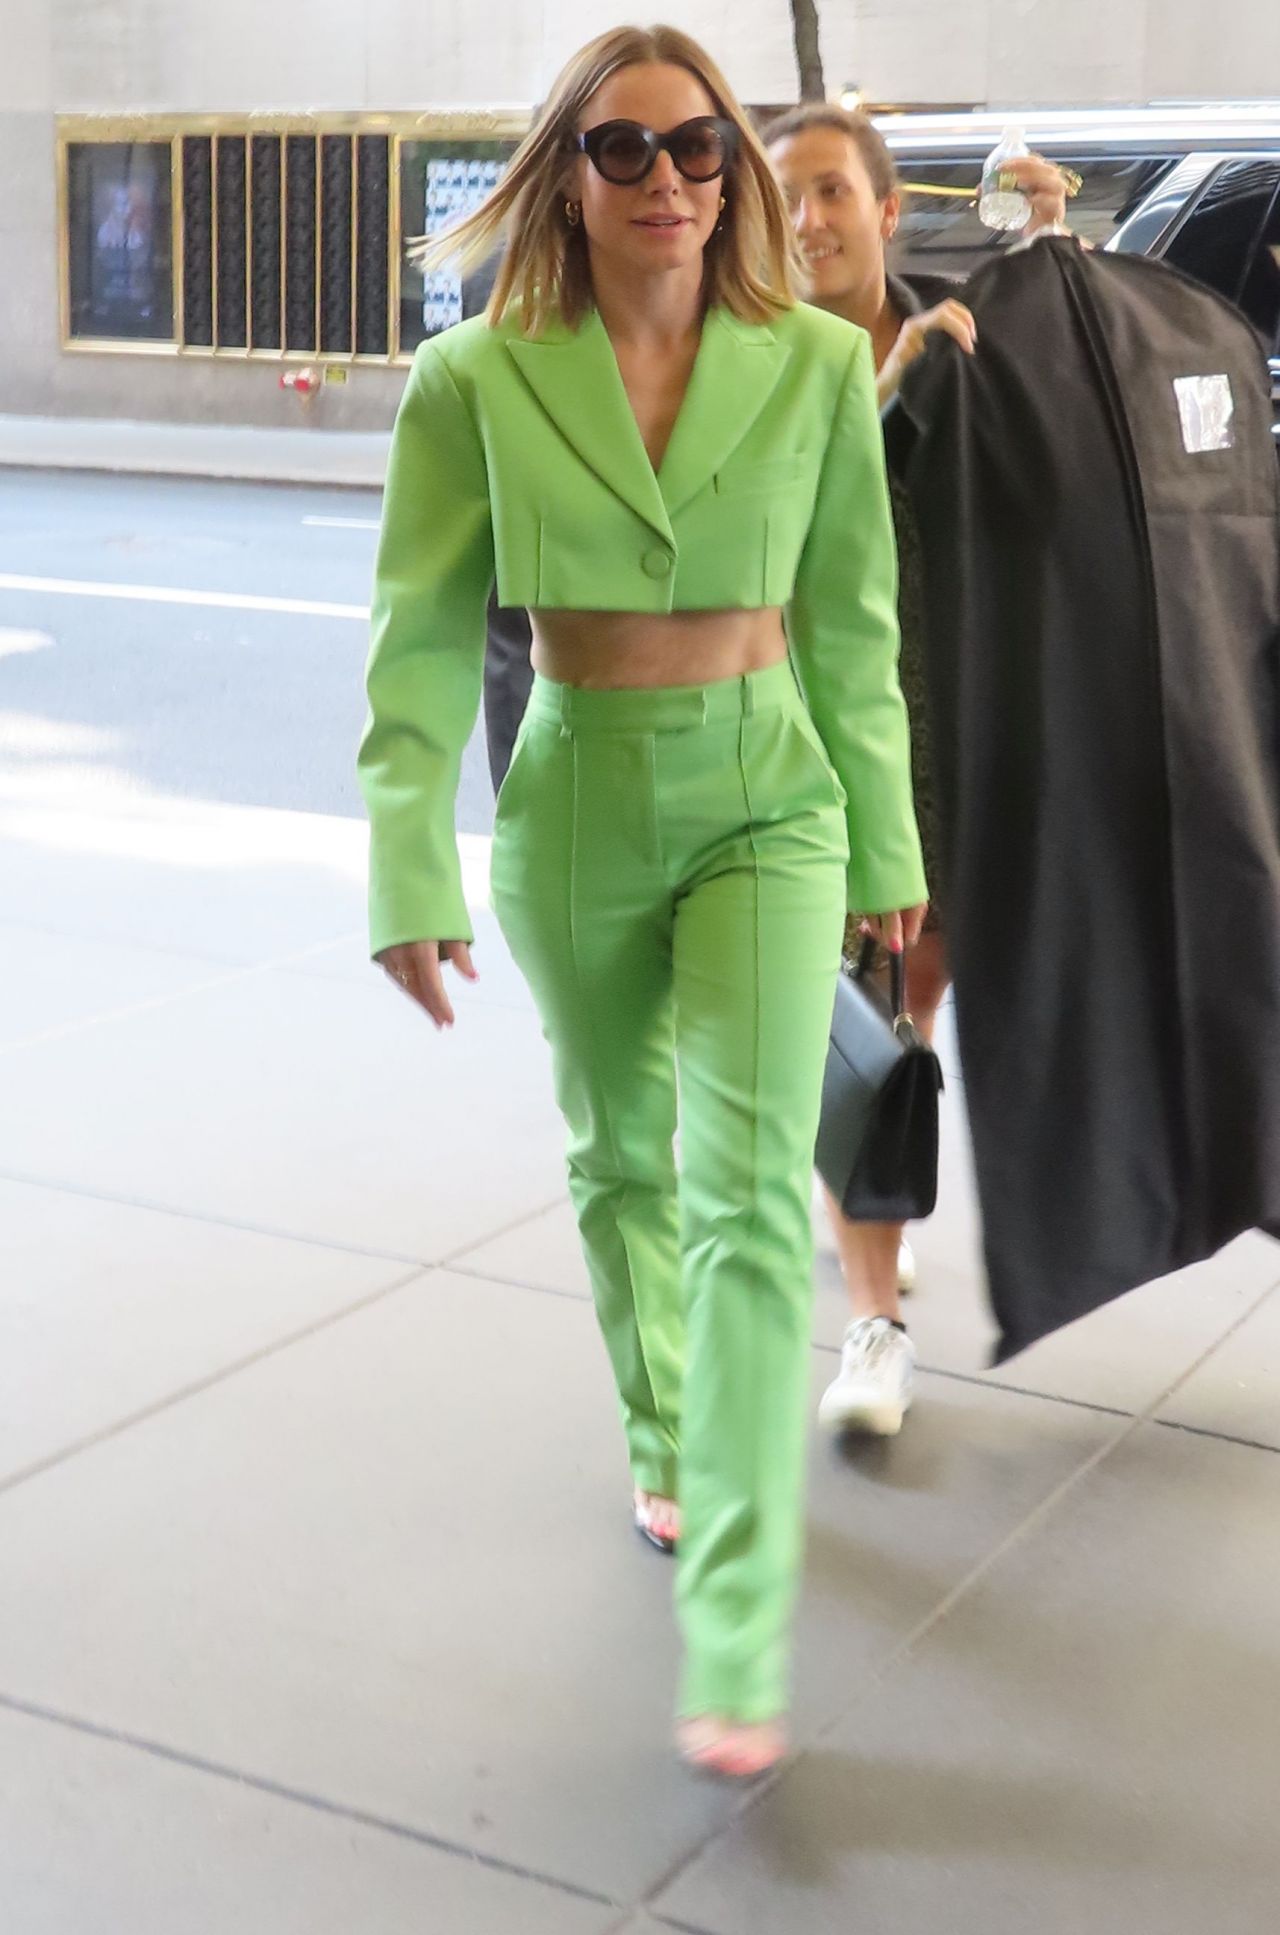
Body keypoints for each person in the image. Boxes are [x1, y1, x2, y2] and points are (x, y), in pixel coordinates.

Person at [358, 26, 925, 1778]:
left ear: (735, 176)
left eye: (702, 149)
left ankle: (739, 1633)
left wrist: (890, 854)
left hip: (773, 791)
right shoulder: (471, 381)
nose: (671, 178)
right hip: (577, 790)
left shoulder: (823, 365)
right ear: (567, 174)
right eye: (626, 151)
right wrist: (405, 864)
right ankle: (669, 1433)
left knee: (750, 1193)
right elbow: (422, 634)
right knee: (621, 1155)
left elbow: (854, 631)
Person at [765, 106, 1069, 1438]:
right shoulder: (751, 360)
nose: (808, 221)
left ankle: (860, 1185)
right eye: (784, 199)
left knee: (913, 1001)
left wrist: (1053, 241)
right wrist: (885, 387)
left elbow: (1068, 396)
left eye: (831, 191)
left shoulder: (963, 328)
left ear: (888, 211)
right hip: (810, 743)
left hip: (954, 723)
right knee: (864, 1012)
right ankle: (876, 1326)